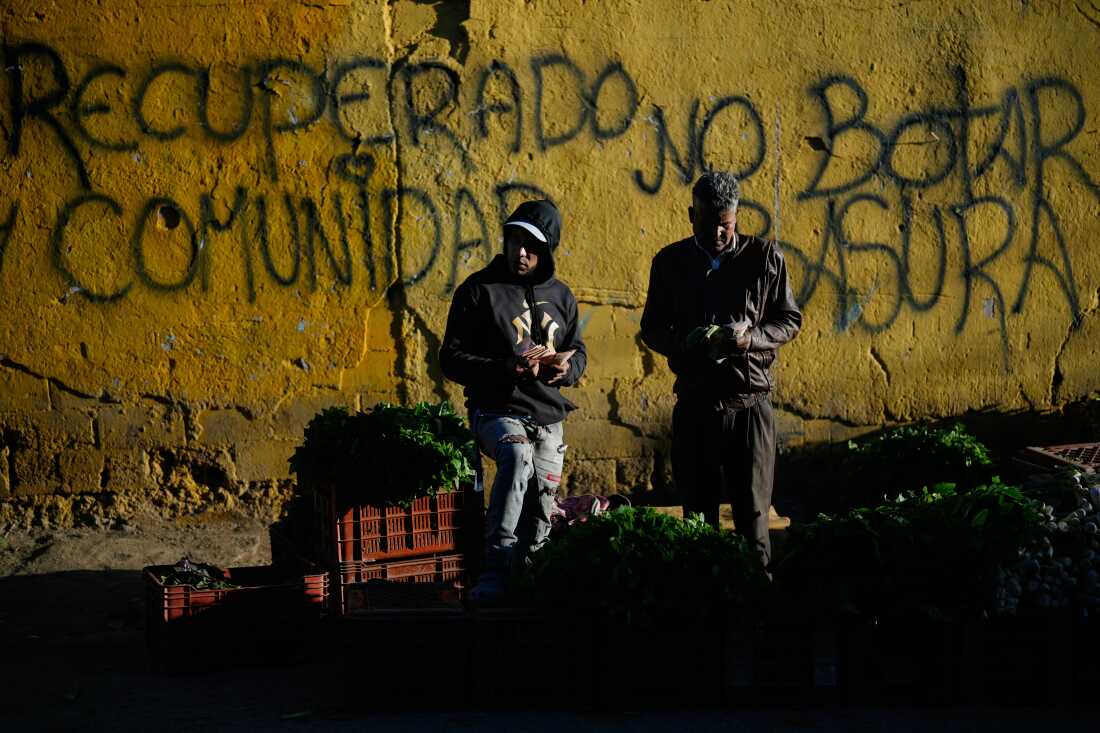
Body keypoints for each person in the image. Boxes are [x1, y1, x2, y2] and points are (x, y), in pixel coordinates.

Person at [639, 171, 801, 567]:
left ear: (737, 217)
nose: (718, 233)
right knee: (698, 519)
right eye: (709, 223)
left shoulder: (764, 258)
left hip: (750, 404)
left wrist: (752, 338)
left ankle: (757, 602)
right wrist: (685, 342)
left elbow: (789, 320)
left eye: (726, 225)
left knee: (754, 518)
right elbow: (652, 329)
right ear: (690, 215)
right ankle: (703, 604)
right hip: (696, 404)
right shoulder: (669, 263)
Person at [440, 199, 587, 600]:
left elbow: (578, 350)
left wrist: (566, 370)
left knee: (542, 510)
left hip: (548, 416)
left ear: (548, 248)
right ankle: (495, 568)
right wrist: (507, 367)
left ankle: (527, 578)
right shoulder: (477, 290)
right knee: (516, 456)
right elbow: (450, 359)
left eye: (532, 245)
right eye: (514, 240)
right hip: (496, 412)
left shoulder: (563, 296)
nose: (520, 252)